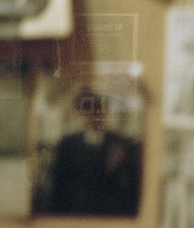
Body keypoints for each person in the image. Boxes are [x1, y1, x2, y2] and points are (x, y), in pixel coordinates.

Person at [43, 88, 142, 216]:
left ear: (104, 112)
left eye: (98, 109)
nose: (93, 116)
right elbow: (58, 182)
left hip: (110, 212)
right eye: (87, 111)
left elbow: (130, 182)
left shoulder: (121, 143)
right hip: (75, 211)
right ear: (80, 113)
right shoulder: (67, 143)